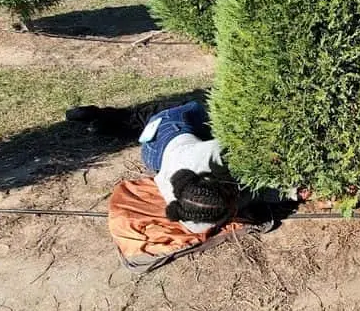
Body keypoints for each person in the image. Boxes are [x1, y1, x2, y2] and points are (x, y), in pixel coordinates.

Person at [66, 100, 244, 233]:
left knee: (148, 115)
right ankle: (103, 124)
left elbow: (230, 146)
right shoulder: (181, 203)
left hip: (164, 140)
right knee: (196, 106)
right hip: (154, 158)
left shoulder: (205, 155)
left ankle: (101, 118)